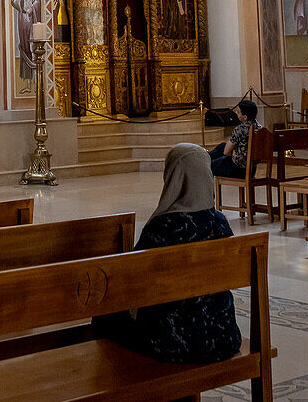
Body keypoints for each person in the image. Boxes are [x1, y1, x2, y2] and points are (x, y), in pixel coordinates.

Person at [93, 144, 242, 364]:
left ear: (173, 176)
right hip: (223, 336)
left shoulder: (163, 227)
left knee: (103, 320)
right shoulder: (219, 223)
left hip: (173, 342)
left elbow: (132, 280)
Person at [209, 100, 260, 179]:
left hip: (238, 169)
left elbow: (226, 152)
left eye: (238, 112)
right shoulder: (260, 128)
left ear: (245, 117)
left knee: (208, 166)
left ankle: (204, 159)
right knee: (222, 146)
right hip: (252, 168)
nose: (236, 112)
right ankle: (206, 157)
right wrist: (234, 151)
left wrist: (234, 153)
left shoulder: (240, 129)